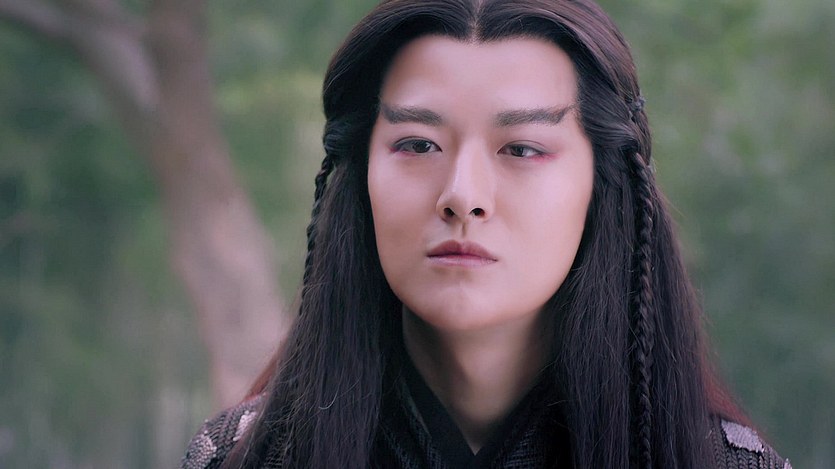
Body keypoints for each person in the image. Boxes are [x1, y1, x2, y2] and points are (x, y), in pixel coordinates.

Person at [182, 1, 790, 468]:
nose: (463, 196)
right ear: (360, 174)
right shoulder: (240, 458)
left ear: (602, 184)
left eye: (521, 149)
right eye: (418, 145)